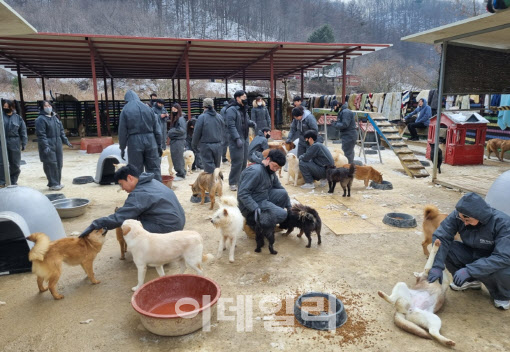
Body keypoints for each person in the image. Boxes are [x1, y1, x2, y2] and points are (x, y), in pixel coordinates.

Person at [427, 192, 510, 310]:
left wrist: (470, 269)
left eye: (467, 219)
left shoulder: (503, 223)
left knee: (505, 268)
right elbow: (442, 237)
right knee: (447, 247)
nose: (464, 223)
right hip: (473, 252)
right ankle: (471, 281)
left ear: (480, 216)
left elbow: (503, 257)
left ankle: (502, 294)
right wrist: (437, 265)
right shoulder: (460, 215)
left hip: (494, 259)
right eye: (461, 219)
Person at [80, 164, 185, 237]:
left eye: (121, 184)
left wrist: (95, 225)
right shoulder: (152, 181)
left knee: (129, 227)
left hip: (169, 228)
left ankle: (153, 254)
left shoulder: (139, 194)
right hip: (178, 222)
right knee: (133, 217)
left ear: (130, 178)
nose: (122, 188)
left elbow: (119, 218)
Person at [238, 149, 290, 231]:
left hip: (262, 196)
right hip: (250, 205)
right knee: (283, 215)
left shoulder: (270, 171)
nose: (275, 169)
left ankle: (268, 222)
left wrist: (290, 207)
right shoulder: (255, 171)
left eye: (278, 168)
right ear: (268, 159)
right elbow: (243, 193)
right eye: (275, 166)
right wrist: (255, 208)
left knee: (283, 193)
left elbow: (279, 187)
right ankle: (253, 226)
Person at [118, 90, 162, 181]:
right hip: (151, 140)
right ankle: (158, 191)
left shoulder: (125, 110)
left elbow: (122, 131)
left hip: (134, 141)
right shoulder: (148, 108)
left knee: (135, 170)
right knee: (154, 168)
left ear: (126, 100)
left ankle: (139, 192)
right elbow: (157, 129)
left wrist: (122, 147)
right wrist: (159, 145)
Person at [35, 100, 73, 190]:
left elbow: (61, 131)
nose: (48, 107)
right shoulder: (40, 119)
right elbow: (41, 135)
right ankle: (52, 184)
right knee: (51, 164)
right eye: (45, 106)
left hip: (57, 143)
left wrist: (66, 141)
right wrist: (45, 146)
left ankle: (58, 182)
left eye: (49, 105)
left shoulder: (55, 117)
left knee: (59, 163)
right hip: (48, 143)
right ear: (42, 108)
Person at [226, 90, 256, 191]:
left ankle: (241, 181)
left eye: (245, 96)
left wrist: (251, 123)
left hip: (245, 137)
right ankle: (233, 182)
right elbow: (231, 125)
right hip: (236, 140)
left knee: (244, 161)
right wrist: (237, 138)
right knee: (237, 161)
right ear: (237, 98)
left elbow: (245, 120)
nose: (245, 98)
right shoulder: (231, 110)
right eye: (243, 97)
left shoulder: (243, 109)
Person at [192, 98, 224, 173]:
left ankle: (211, 184)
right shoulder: (219, 117)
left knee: (209, 170)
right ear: (213, 105)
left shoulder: (202, 117)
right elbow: (224, 129)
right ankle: (217, 183)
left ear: (203, 107)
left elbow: (197, 133)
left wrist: (194, 145)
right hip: (218, 145)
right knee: (216, 169)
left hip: (206, 146)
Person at [1, 100, 27, 186]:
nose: (6, 108)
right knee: (1, 163)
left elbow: (23, 131)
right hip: (2, 141)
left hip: (14, 141)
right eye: (4, 107)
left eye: (7, 107)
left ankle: (13, 180)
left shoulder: (18, 118)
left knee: (15, 163)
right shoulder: (1, 117)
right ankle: (2, 181)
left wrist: (24, 142)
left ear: (12, 107)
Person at [332, 99, 357, 164]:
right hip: (348, 135)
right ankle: (349, 168)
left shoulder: (346, 112)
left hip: (349, 135)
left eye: (334, 107)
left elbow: (345, 124)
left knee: (347, 154)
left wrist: (335, 124)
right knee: (348, 153)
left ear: (337, 105)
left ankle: (348, 169)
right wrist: (336, 122)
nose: (334, 109)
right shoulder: (343, 111)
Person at [167, 103, 187, 180]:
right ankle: (181, 172)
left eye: (175, 109)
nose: (173, 111)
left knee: (178, 158)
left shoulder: (181, 119)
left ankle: (181, 174)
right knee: (176, 157)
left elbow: (182, 130)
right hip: (175, 141)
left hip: (178, 141)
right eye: (172, 110)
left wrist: (171, 132)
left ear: (178, 109)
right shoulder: (175, 118)